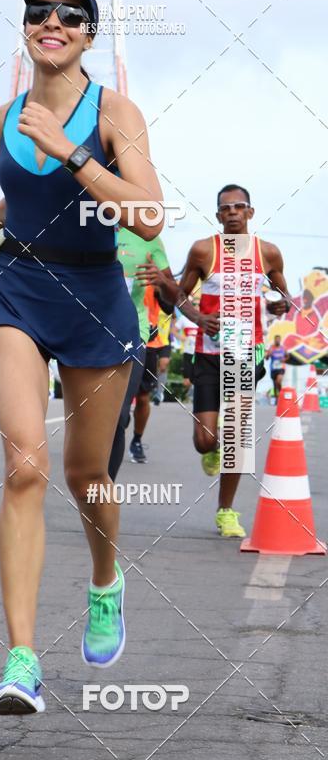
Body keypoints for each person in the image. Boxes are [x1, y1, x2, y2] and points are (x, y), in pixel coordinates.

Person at [0, 0, 163, 714]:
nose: (53, 21)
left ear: (88, 37)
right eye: (41, 10)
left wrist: (72, 151)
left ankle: (106, 581)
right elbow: (31, 197)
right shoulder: (1, 117)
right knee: (25, 467)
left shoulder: (115, 113)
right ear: (27, 26)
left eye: (71, 15)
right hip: (19, 288)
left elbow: (148, 215)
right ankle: (21, 660)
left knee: (85, 478)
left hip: (96, 299)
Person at [175, 183, 289, 538]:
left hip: (245, 351)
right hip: (209, 354)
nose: (233, 213)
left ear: (251, 212)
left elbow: (284, 292)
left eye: (240, 207)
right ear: (218, 215)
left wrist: (278, 303)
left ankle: (226, 512)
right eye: (226, 208)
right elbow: (179, 295)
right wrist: (197, 318)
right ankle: (211, 449)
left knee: (238, 436)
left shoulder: (267, 252)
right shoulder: (203, 251)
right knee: (206, 440)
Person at [109, 237, 172, 475]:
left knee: (138, 401)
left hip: (147, 336)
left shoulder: (148, 246)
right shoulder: (87, 227)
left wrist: (161, 282)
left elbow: (170, 305)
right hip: (99, 332)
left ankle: (135, 439)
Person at [265, 334, 287, 399]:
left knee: (278, 381)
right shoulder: (271, 348)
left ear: (280, 340)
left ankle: (280, 394)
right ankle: (277, 398)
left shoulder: (283, 348)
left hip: (281, 367)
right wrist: (269, 354)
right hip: (273, 368)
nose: (277, 340)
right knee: (274, 384)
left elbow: (288, 356)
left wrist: (284, 359)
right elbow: (266, 358)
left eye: (278, 339)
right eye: (276, 339)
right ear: (274, 340)